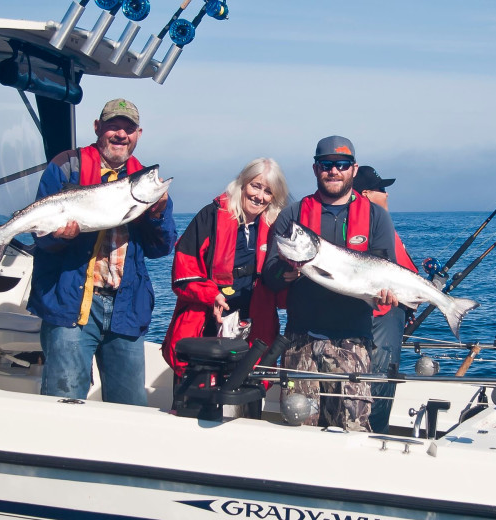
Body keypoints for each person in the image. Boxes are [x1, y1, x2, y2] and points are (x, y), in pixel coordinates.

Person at [27, 98, 177, 406]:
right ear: (98, 128)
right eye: (113, 127)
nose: (121, 135)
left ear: (138, 134)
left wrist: (156, 213)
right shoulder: (66, 166)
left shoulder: (144, 181)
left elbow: (161, 248)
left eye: (129, 129)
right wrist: (62, 238)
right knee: (64, 399)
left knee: (130, 407)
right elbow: (41, 238)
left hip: (126, 307)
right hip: (72, 303)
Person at [263, 136, 399, 432]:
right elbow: (269, 275)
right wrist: (284, 273)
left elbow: (386, 269)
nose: (334, 171)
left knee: (353, 430)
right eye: (327, 165)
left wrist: (388, 295)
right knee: (300, 429)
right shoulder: (293, 216)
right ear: (316, 169)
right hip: (301, 340)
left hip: (353, 341)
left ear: (353, 169)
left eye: (342, 165)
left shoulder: (376, 217)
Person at [161, 158, 289, 379]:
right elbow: (184, 271)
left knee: (250, 394)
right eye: (256, 186)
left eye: (268, 191)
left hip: (254, 324)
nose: (259, 196)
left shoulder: (277, 228)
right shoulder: (210, 216)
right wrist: (211, 295)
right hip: (208, 323)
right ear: (242, 183)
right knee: (195, 396)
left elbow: (282, 284)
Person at [353, 165, 419, 433]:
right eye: (382, 190)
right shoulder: (379, 226)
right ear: (367, 194)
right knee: (381, 380)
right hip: (382, 317)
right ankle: (375, 433)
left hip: (385, 313)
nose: (387, 195)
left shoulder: (378, 225)